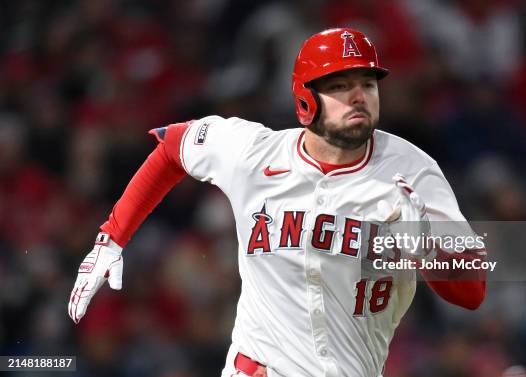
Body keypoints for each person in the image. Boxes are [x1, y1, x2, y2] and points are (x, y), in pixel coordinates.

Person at [68, 28, 487, 377]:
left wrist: (425, 250)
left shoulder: (412, 170)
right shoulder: (256, 154)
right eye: (340, 86)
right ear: (306, 100)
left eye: (367, 83)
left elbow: (472, 292)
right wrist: (112, 236)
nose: (359, 95)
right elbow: (172, 147)